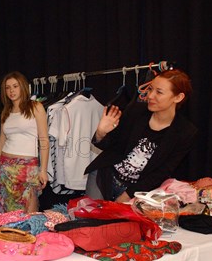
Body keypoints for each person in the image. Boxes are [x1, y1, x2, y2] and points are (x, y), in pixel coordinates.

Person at [84, 68, 198, 202]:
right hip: (104, 177)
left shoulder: (185, 132)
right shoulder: (136, 112)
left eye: (159, 92)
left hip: (137, 190)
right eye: (150, 89)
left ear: (178, 97)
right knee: (88, 219)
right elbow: (113, 146)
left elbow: (161, 173)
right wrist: (101, 133)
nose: (150, 96)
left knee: (118, 222)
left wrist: (127, 196)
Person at [0, 71, 49, 213]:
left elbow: (44, 140)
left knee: (30, 213)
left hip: (28, 168)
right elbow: (1, 142)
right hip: (5, 168)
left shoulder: (36, 107)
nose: (11, 90)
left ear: (23, 87)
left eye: (15, 86)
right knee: (6, 214)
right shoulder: (6, 111)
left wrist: (43, 170)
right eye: (7, 87)